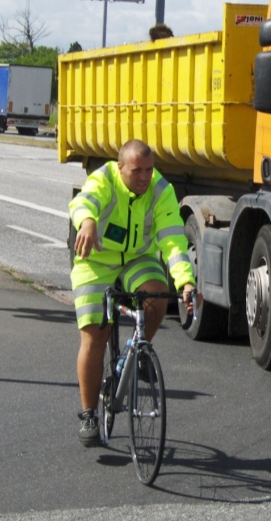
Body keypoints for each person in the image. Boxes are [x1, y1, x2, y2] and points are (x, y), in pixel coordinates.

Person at [69, 139, 198, 447]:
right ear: (121, 167)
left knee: (157, 294)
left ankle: (136, 352)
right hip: (98, 259)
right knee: (94, 334)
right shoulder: (105, 178)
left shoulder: (160, 190)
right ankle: (88, 414)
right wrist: (86, 222)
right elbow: (85, 201)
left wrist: (186, 283)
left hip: (138, 258)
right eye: (137, 170)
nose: (144, 177)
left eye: (149, 170)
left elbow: (172, 240)